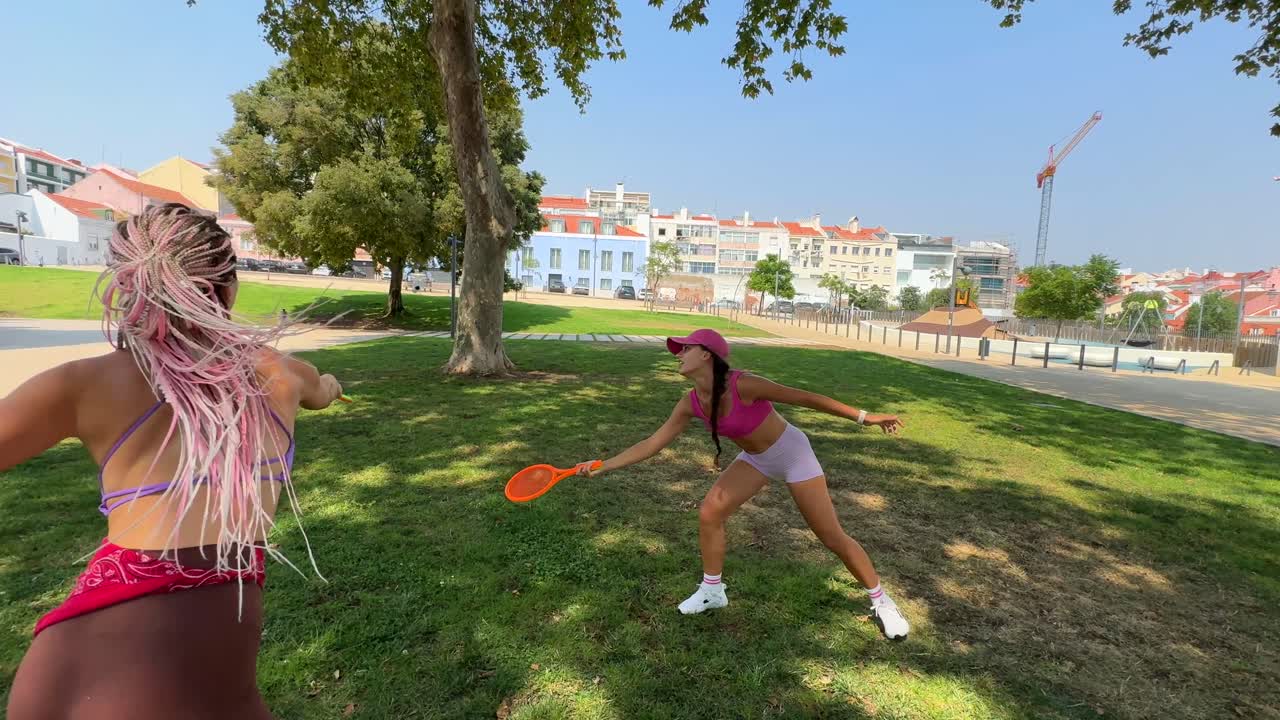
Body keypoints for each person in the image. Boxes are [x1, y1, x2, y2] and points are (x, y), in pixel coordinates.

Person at [1, 203, 345, 719]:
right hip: (165, 687)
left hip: (57, 675)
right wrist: (333, 390)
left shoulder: (81, 384)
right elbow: (322, 390)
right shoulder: (283, 374)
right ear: (226, 290)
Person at [580, 328, 911, 640]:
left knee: (830, 536)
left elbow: (805, 398)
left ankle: (882, 602)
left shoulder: (744, 385)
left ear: (708, 355)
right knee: (710, 512)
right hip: (755, 459)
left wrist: (865, 417)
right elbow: (653, 443)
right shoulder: (690, 402)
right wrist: (603, 465)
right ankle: (712, 591)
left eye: (686, 348)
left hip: (793, 454)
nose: (678, 354)